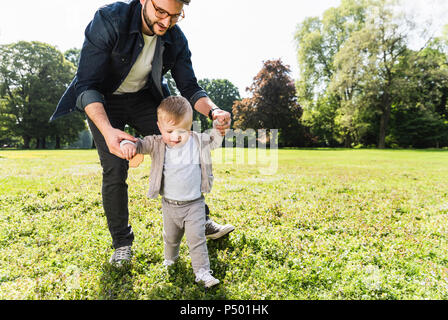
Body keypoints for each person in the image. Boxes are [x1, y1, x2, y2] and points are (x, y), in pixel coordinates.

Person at [50, 0, 234, 266]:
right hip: (103, 100)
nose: (166, 22)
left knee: (181, 149)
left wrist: (214, 111)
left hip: (145, 100)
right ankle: (122, 244)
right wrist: (107, 130)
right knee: (114, 168)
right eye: (160, 11)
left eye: (174, 15)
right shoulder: (109, 20)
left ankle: (201, 220)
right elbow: (86, 84)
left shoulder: (175, 38)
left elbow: (190, 87)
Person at [121, 96, 223, 287]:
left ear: (190, 126)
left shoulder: (197, 141)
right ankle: (170, 259)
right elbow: (139, 144)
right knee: (171, 238)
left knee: (197, 239)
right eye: (169, 131)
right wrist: (129, 145)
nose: (175, 137)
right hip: (169, 205)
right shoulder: (157, 143)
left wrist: (220, 123)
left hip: (194, 204)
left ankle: (202, 272)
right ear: (159, 126)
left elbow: (215, 140)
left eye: (182, 131)